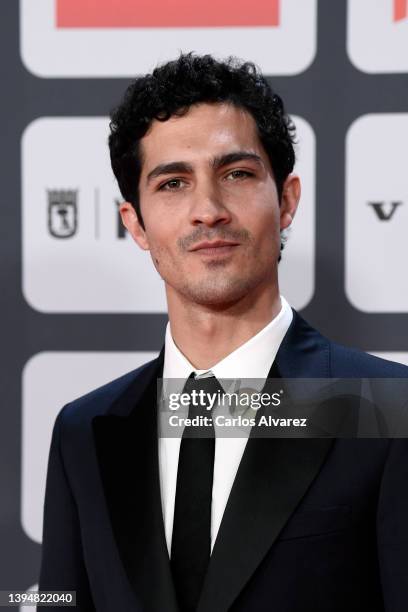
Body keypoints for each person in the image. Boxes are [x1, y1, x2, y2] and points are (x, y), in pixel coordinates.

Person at [39, 53, 408, 611]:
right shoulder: (86, 431)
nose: (206, 210)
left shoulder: (386, 410)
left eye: (236, 174)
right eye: (173, 183)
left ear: (285, 201)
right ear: (135, 224)